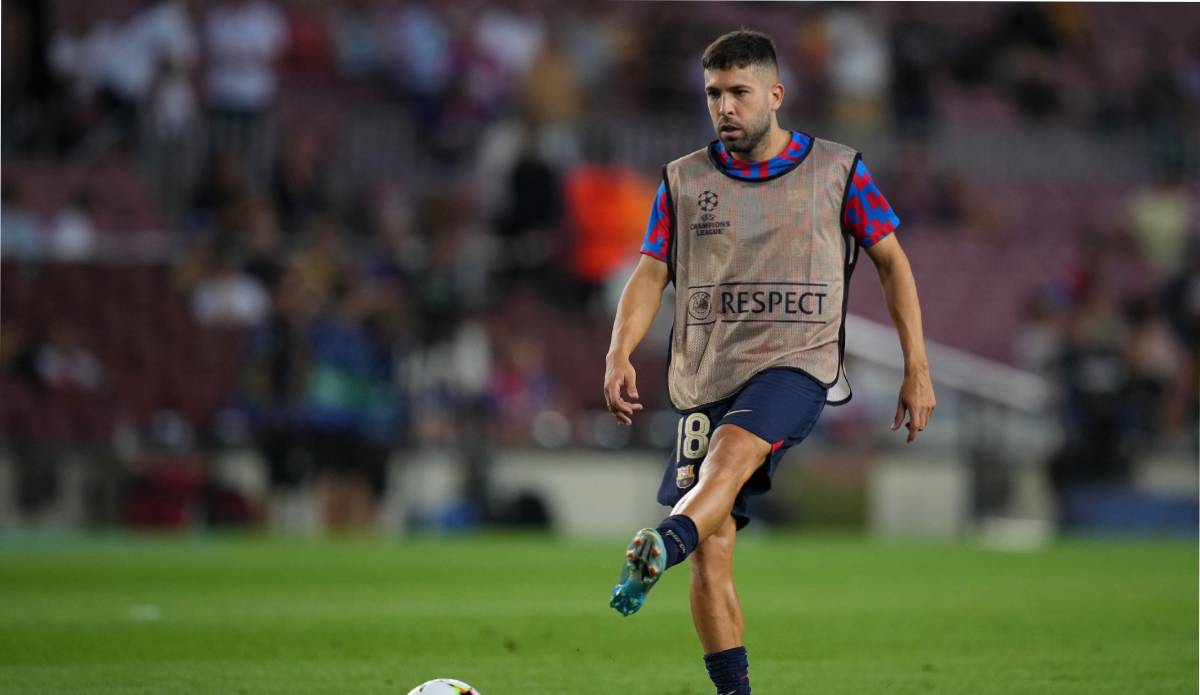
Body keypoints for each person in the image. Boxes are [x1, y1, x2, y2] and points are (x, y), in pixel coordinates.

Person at [602, 30, 936, 695]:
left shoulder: (840, 171)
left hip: (796, 363)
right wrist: (618, 351)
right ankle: (733, 687)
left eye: (739, 93)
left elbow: (892, 259)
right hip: (705, 371)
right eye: (714, 94)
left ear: (775, 95)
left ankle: (661, 545)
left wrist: (916, 364)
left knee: (728, 458)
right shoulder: (683, 180)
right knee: (713, 547)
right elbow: (649, 273)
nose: (725, 107)